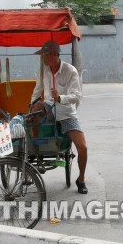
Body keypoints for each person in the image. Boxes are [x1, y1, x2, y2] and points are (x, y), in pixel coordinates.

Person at [31, 40, 88, 194]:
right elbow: (38, 89)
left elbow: (77, 96)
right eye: (42, 55)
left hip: (66, 112)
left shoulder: (70, 71)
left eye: (45, 55)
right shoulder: (44, 70)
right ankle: (35, 149)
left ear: (54, 54)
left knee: (83, 148)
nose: (43, 58)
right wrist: (31, 106)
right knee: (35, 110)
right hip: (49, 107)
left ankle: (81, 179)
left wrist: (61, 98)